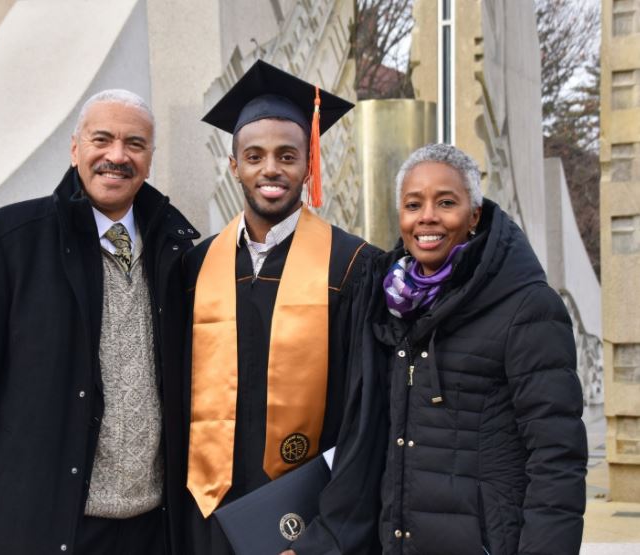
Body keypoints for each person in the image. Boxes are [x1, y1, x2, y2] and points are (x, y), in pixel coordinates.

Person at [0, 89, 198, 554]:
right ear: (75, 149)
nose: (116, 155)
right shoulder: (4, 243)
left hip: (154, 532)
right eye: (102, 139)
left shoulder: (177, 251)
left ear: (150, 159)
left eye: (134, 144)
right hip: (49, 532)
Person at [183, 60, 389, 555]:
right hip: (204, 518)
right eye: (253, 156)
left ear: (308, 164)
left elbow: (366, 421)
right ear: (234, 165)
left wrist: (328, 535)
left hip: (306, 521)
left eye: (287, 155)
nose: (270, 169)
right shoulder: (194, 265)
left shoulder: (354, 266)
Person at [363, 143, 588, 554]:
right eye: (413, 204)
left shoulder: (527, 306)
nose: (427, 217)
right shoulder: (389, 305)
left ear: (474, 215)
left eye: (446, 202)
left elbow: (557, 455)